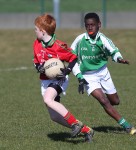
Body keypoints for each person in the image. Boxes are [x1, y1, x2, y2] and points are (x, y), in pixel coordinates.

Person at [71, 12, 136, 135]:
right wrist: (79, 77)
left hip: (103, 72)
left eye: (93, 25)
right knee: (103, 101)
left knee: (115, 101)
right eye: (87, 25)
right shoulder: (79, 40)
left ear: (99, 25)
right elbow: (71, 59)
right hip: (87, 76)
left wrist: (119, 58)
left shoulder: (103, 39)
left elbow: (114, 51)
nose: (90, 27)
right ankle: (127, 126)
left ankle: (109, 107)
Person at [33, 13, 94, 142]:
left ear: (43, 31)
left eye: (36, 30)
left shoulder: (59, 46)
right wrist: (38, 67)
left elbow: (73, 57)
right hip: (45, 81)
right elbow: (36, 61)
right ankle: (86, 130)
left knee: (48, 99)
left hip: (59, 80)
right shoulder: (37, 43)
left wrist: (67, 71)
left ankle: (75, 124)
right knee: (54, 117)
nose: (35, 32)